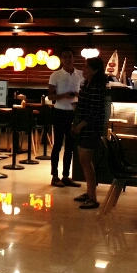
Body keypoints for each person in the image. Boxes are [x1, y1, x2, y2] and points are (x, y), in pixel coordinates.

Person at [72, 57, 107, 209]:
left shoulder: (96, 87)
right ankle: (89, 192)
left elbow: (94, 112)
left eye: (86, 67)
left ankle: (93, 197)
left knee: (86, 161)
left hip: (90, 128)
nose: (83, 69)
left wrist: (80, 125)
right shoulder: (87, 84)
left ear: (95, 70)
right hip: (84, 126)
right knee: (84, 161)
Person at [47, 47, 84, 188]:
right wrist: (64, 95)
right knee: (57, 145)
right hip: (59, 112)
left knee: (70, 146)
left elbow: (84, 92)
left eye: (70, 56)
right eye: (65, 57)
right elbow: (51, 96)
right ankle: (54, 176)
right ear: (62, 59)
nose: (68, 59)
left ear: (74, 58)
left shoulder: (80, 74)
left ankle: (66, 176)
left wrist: (78, 95)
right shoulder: (55, 75)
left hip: (73, 113)